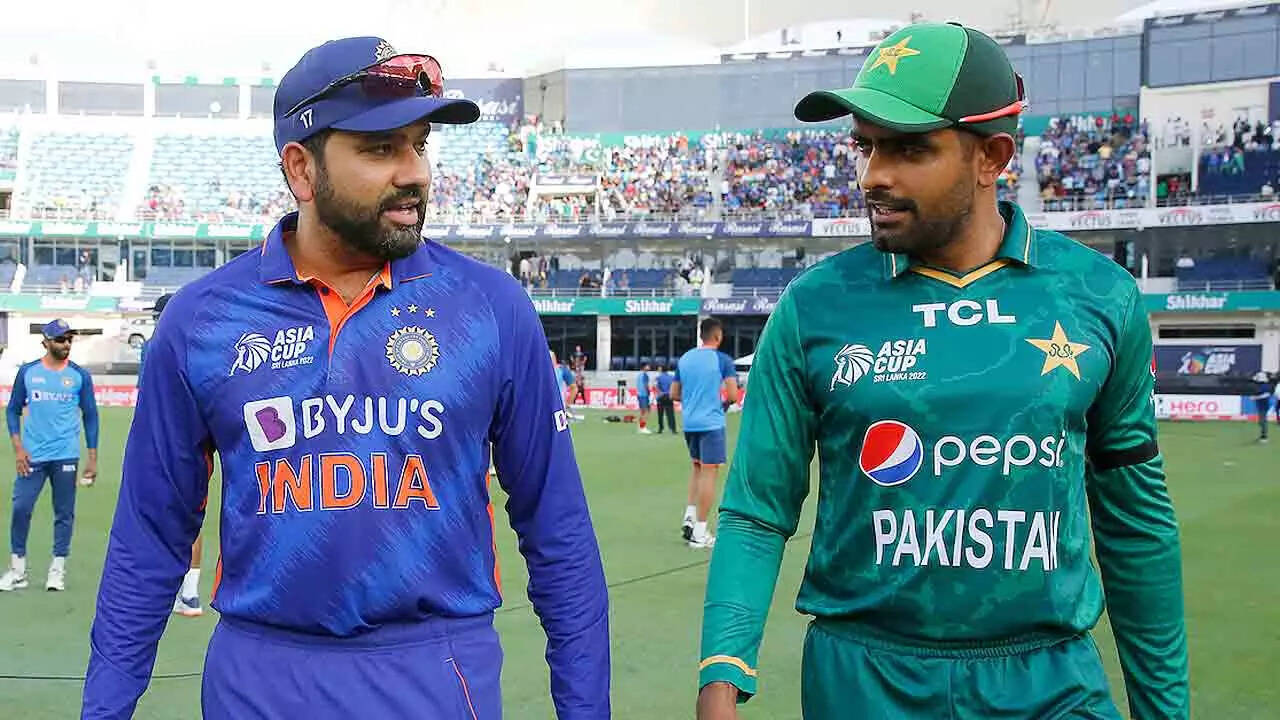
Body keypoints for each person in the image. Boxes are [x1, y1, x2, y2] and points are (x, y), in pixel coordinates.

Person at [83, 37, 609, 720]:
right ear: (301, 170)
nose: (415, 172)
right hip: (256, 685)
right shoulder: (200, 321)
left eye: (419, 145)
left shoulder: (490, 308)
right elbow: (148, 540)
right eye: (381, 148)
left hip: (433, 679)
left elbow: (559, 532)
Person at [696, 22, 1188, 720]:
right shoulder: (813, 307)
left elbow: (1136, 523)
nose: (873, 176)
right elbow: (756, 509)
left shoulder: (1099, 297)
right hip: (864, 683)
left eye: (909, 148)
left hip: (1049, 682)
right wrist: (721, 675)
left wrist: (1164, 711)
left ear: (992, 157)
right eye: (865, 146)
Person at [1, 319, 98, 593]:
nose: (66, 344)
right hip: (32, 456)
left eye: (69, 339)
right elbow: (12, 410)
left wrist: (92, 457)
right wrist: (18, 448)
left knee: (64, 513)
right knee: (21, 508)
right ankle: (17, 570)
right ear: (45, 342)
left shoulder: (79, 376)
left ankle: (57, 570)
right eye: (60, 339)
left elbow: (91, 416)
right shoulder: (28, 373)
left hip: (66, 455)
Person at [140, 293, 205, 617]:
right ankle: (189, 593)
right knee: (190, 514)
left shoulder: (159, 346)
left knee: (161, 515)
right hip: (193, 439)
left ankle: (170, 591)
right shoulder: (197, 340)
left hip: (172, 442)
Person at [673, 318, 739, 549]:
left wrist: (693, 401)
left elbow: (674, 393)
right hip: (711, 422)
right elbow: (733, 394)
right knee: (710, 473)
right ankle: (700, 531)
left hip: (690, 422)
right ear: (718, 336)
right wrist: (720, 405)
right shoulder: (722, 360)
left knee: (697, 468)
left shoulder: (685, 358)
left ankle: (690, 517)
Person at [1250, 370, 1274, 442]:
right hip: (1260, 406)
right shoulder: (1260, 385)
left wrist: (1255, 398)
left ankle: (1264, 436)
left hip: (1264, 406)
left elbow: (1266, 395)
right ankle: (1262, 435)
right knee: (1261, 421)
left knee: (1262, 421)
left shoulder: (1265, 386)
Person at [654, 365, 677, 434]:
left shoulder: (658, 378)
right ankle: (673, 429)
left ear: (661, 370)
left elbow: (656, 387)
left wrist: (660, 393)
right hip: (669, 396)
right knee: (670, 413)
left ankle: (660, 428)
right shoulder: (672, 377)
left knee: (660, 413)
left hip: (661, 396)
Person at [635, 362, 653, 434]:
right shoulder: (645, 375)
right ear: (644, 367)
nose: (649, 367)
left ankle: (640, 427)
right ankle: (642, 427)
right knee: (646, 411)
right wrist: (648, 392)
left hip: (639, 394)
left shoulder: (639, 375)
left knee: (643, 411)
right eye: (647, 366)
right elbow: (646, 385)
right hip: (644, 395)